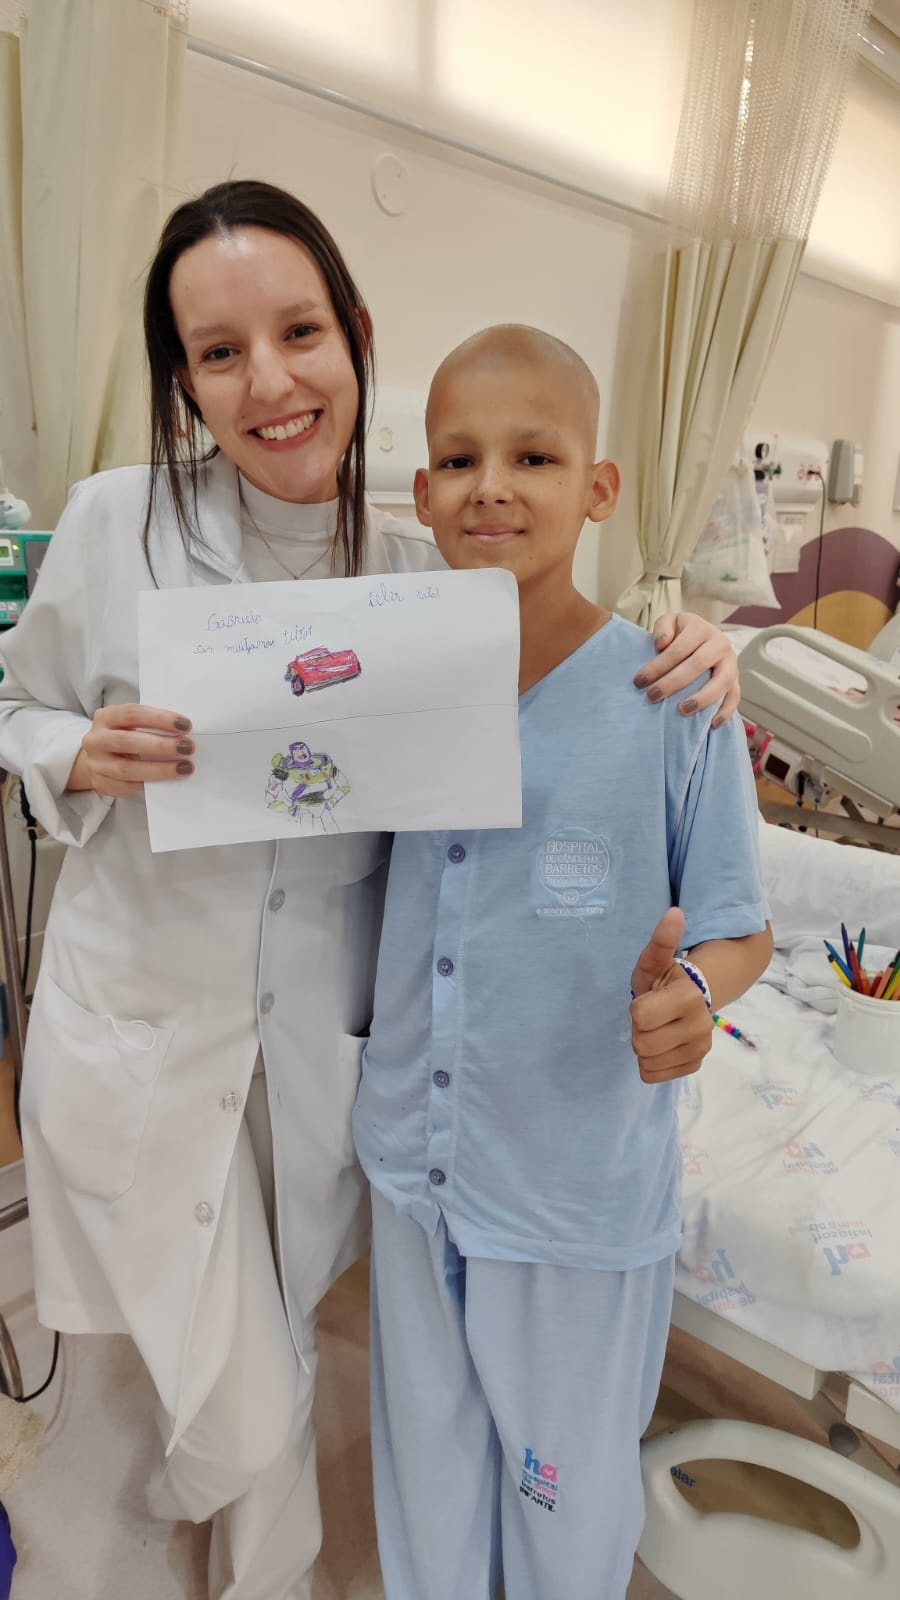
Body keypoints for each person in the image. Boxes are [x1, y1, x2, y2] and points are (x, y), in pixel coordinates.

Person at [0, 181, 741, 1600]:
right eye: (220, 354)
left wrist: (698, 642)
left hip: (312, 1065)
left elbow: (571, 662)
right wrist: (71, 750)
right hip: (145, 1038)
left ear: (354, 334)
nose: (271, 383)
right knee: (170, 1411)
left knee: (273, 1355)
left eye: (299, 333)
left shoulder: (422, 580)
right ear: (184, 381)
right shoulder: (111, 526)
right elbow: (13, 706)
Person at [352, 325, 774, 1600]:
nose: (492, 486)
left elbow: (740, 925)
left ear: (599, 487)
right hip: (415, 1170)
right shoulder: (388, 690)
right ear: (421, 491)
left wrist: (696, 996)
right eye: (459, 459)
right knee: (426, 1481)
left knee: (563, 1505)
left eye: (533, 456)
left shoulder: (673, 700)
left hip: (574, 1193)